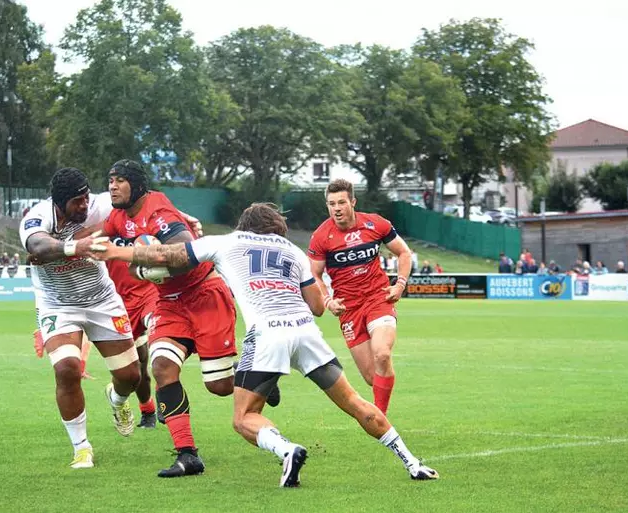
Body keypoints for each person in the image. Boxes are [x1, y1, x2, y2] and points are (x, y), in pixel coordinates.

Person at [92, 202, 439, 487]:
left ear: (245, 224)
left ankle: (287, 450)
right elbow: (318, 307)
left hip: (268, 335)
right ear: (275, 229)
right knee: (354, 401)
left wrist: (114, 252)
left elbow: (166, 257)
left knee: (244, 419)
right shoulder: (292, 250)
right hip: (306, 334)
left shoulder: (226, 242)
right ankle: (412, 463)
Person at [100, 159, 280, 478]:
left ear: (137, 185)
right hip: (168, 302)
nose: (112, 186)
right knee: (162, 367)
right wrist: (66, 248)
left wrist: (144, 262)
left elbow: (183, 251)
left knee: (220, 386)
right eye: (110, 180)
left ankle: (258, 373)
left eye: (120, 180)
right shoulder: (117, 217)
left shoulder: (159, 212)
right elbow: (100, 237)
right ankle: (188, 455)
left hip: (204, 294)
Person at [20, 167, 141, 469]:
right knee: (67, 368)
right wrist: (76, 247)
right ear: (59, 202)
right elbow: (37, 246)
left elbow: (143, 204)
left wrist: (180, 218)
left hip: (102, 300)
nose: (85, 206)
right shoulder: (37, 216)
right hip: (57, 305)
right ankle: (81, 447)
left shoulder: (99, 205)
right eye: (77, 202)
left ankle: (117, 399)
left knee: (130, 377)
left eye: (86, 198)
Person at [307, 179, 412, 416]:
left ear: (352, 202)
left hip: (378, 298)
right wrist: (327, 300)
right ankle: (380, 415)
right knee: (370, 376)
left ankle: (380, 419)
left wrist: (400, 283)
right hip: (349, 309)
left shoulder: (375, 224)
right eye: (331, 204)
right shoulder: (321, 236)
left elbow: (404, 252)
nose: (337, 208)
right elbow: (314, 273)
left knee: (382, 354)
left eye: (341, 202)